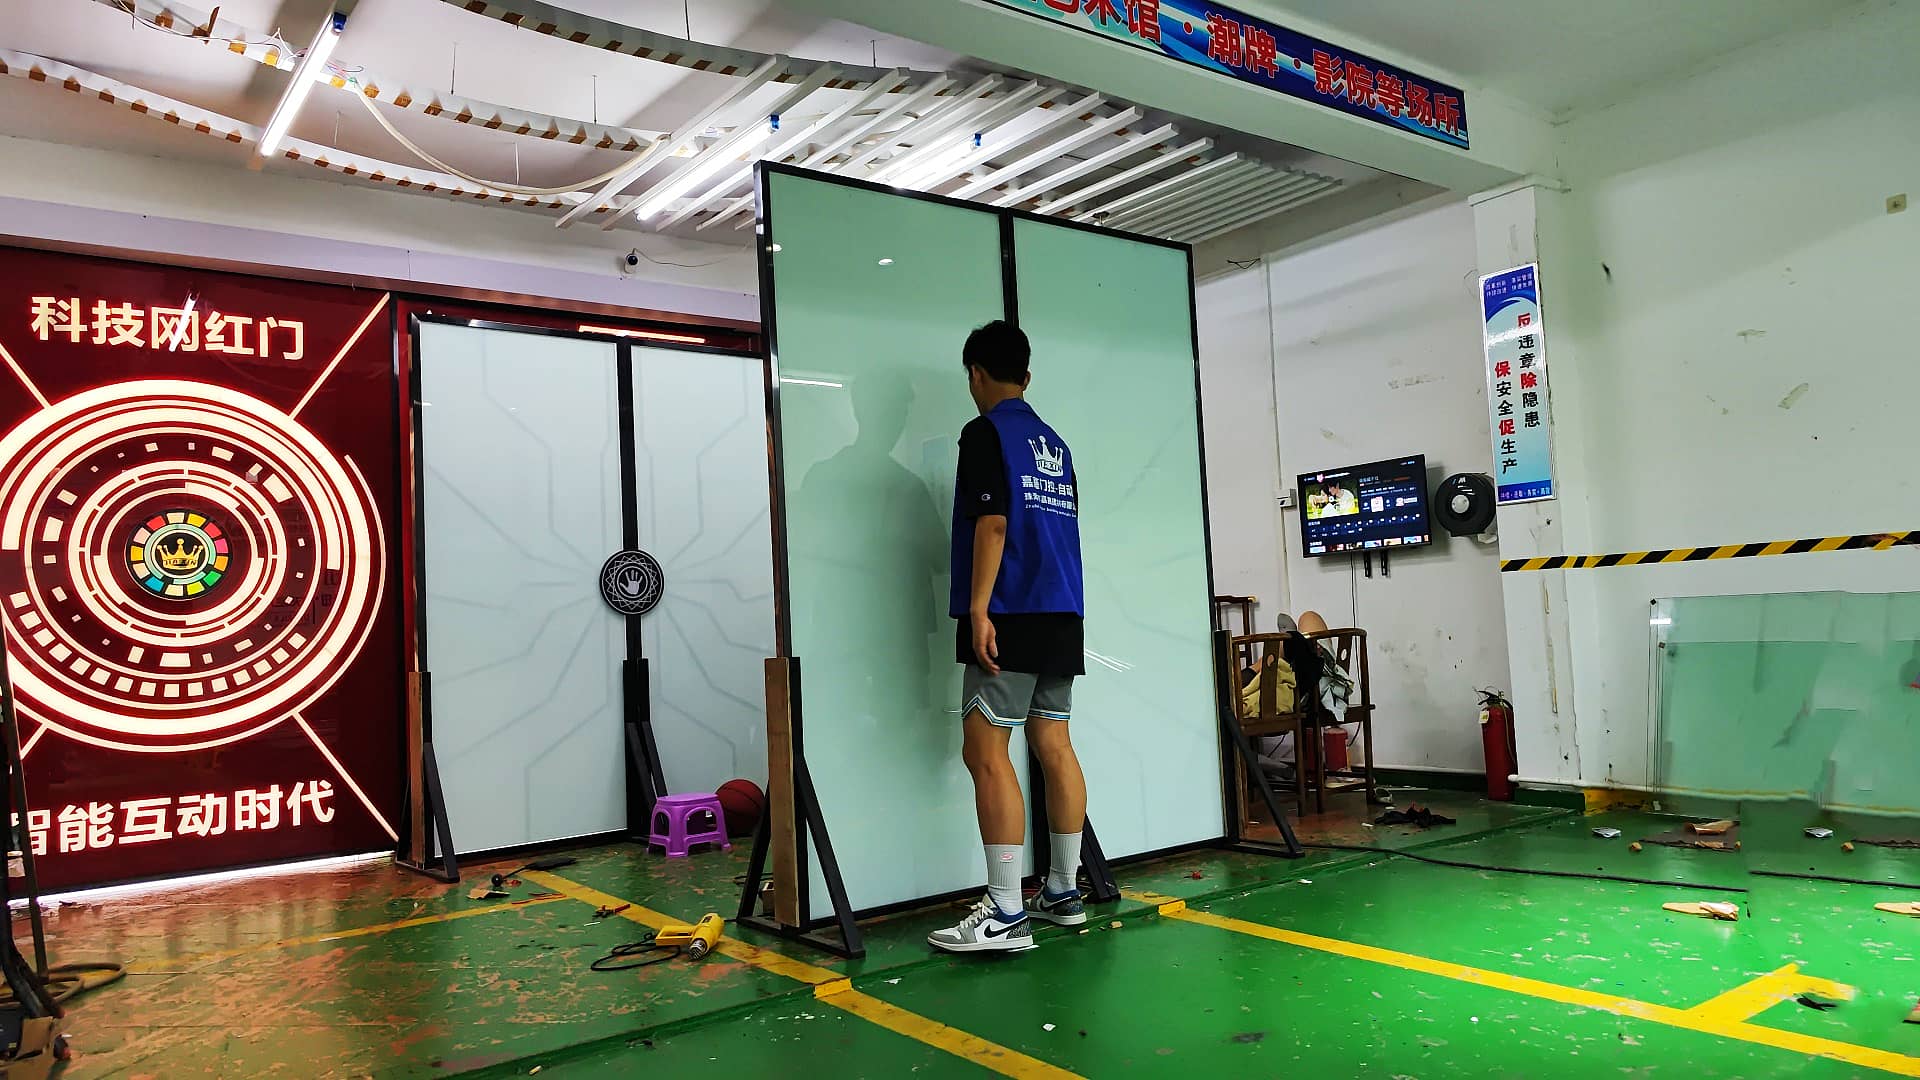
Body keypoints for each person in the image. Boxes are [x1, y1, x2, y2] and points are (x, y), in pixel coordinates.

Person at [927, 320, 1088, 955]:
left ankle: (1004, 911)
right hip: (1062, 612)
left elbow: (993, 523)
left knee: (985, 751)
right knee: (1054, 744)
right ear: (1026, 374)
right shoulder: (1056, 444)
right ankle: (1063, 892)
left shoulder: (984, 432)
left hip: (1010, 610)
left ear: (976, 373)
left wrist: (978, 609)